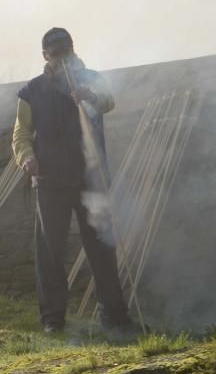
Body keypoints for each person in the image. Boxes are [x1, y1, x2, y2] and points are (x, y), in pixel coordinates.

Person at [12, 27, 132, 334]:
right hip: (50, 181)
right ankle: (53, 320)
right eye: (55, 55)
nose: (62, 60)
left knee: (102, 248)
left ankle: (115, 317)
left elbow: (108, 102)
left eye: (66, 52)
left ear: (73, 50)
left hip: (91, 177)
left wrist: (89, 96)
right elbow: (21, 132)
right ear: (45, 57)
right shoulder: (32, 91)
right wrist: (26, 157)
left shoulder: (91, 78)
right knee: (50, 252)